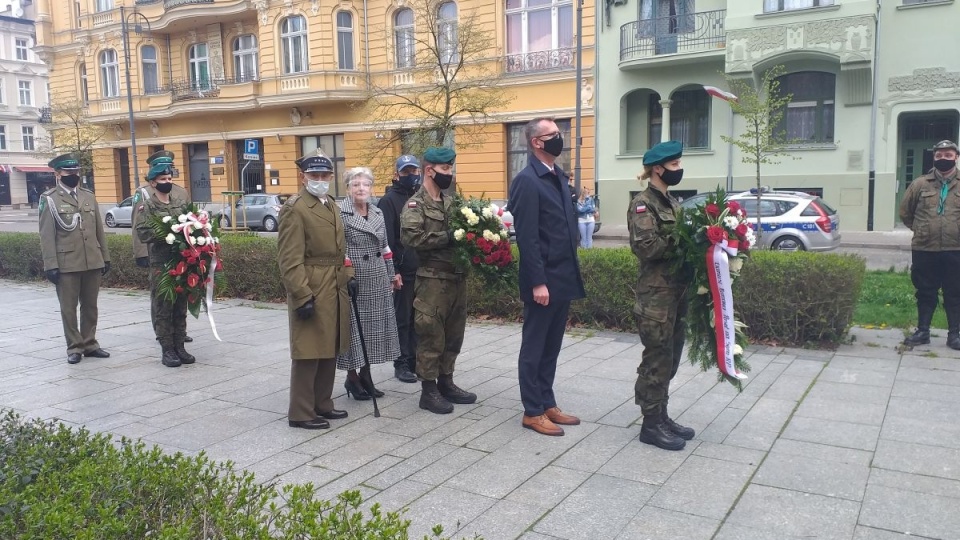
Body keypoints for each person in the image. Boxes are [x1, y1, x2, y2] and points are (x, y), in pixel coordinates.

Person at [509, 118, 586, 437]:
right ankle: (532, 410)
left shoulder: (556, 176)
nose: (560, 138)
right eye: (553, 134)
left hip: (563, 276)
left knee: (551, 346)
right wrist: (537, 281)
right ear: (536, 142)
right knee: (535, 346)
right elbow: (527, 237)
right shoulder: (528, 180)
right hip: (543, 280)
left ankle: (547, 400)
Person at [277, 152, 354, 429]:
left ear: (331, 177)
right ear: (303, 177)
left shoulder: (331, 205)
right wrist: (301, 295)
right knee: (308, 351)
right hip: (311, 284)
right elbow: (289, 259)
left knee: (329, 347)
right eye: (314, 176)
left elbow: (339, 249)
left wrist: (348, 275)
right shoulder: (295, 208)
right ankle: (301, 412)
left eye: (324, 176)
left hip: (334, 284)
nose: (320, 181)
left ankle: (323, 402)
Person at [628, 140, 696, 451]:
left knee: (672, 356)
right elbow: (647, 247)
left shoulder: (673, 203)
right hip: (656, 295)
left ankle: (662, 414)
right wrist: (683, 242)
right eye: (675, 165)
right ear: (658, 168)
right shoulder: (643, 204)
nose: (679, 169)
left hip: (676, 292)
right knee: (657, 357)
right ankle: (650, 424)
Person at [400, 146, 476, 414]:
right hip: (431, 280)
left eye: (451, 168)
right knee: (431, 335)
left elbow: (466, 233)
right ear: (429, 170)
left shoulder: (451, 202)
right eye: (445, 169)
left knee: (454, 334)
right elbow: (411, 238)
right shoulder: (415, 204)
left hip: (456, 279)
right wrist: (449, 236)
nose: (450, 173)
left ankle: (447, 381)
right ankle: (428, 390)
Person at [38, 154, 111, 365]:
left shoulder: (88, 196)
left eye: (76, 172)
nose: (74, 176)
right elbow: (46, 235)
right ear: (58, 174)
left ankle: (89, 343)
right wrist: (50, 264)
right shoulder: (49, 199)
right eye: (69, 173)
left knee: (90, 305)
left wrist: (105, 257)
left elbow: (99, 230)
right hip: (67, 263)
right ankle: (74, 347)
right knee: (68, 308)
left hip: (92, 260)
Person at [337, 167, 401, 399]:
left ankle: (366, 374)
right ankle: (352, 377)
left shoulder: (377, 212)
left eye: (365, 184)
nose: (361, 189)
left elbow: (385, 247)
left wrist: (392, 274)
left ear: (371, 187)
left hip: (377, 278)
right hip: (355, 280)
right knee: (355, 331)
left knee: (373, 331)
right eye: (355, 185)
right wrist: (347, 276)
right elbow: (338, 249)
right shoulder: (340, 213)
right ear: (348, 188)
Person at [134, 156, 196, 368]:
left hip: (182, 262)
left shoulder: (179, 203)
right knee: (163, 306)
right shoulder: (148, 205)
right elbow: (142, 232)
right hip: (162, 264)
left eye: (169, 177)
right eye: (162, 178)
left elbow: (192, 224)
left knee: (180, 305)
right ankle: (167, 348)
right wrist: (167, 233)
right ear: (153, 182)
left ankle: (180, 345)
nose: (167, 181)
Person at [899, 139, 960, 350]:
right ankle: (923, 331)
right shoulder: (920, 184)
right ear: (934, 157)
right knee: (925, 291)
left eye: (948, 155)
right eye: (939, 155)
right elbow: (905, 213)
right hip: (925, 248)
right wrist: (922, 229)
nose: (943, 159)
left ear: (956, 157)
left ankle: (954, 335)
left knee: (955, 292)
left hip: (956, 249)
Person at [378, 155, 422, 383]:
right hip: (402, 271)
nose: (411, 176)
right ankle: (401, 362)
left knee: (418, 319)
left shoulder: (420, 196)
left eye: (414, 171)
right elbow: (387, 239)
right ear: (397, 175)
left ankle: (415, 359)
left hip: (422, 269)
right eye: (406, 172)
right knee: (402, 319)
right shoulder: (388, 201)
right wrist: (393, 270)